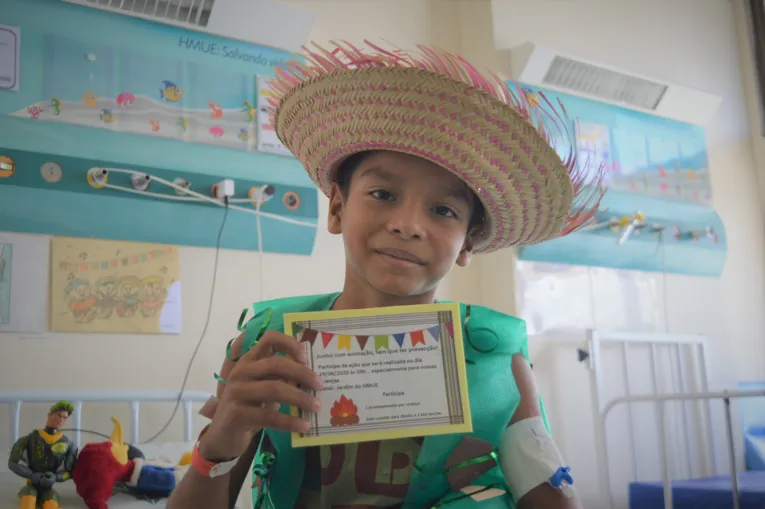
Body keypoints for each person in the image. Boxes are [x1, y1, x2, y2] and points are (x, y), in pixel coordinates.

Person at [167, 41, 606, 509]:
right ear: (337, 207)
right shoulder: (269, 346)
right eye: (382, 193)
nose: (408, 225)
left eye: (442, 209)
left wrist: (519, 425)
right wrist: (219, 444)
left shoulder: (494, 363)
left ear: (468, 244)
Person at [8, 400, 78, 509]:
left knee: (51, 504)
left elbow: (70, 471)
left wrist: (56, 477)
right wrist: (31, 475)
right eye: (58, 415)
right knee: (28, 500)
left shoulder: (69, 445)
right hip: (31, 485)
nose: (61, 420)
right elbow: (12, 463)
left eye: (65, 417)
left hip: (48, 488)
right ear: (50, 415)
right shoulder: (29, 439)